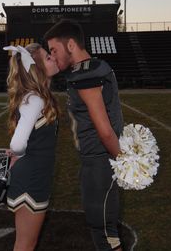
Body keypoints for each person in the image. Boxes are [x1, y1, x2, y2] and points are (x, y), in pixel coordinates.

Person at [44, 19, 124, 251]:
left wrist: (123, 162)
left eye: (54, 50)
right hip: (99, 160)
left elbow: (105, 130)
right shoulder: (93, 67)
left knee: (104, 234)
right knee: (105, 231)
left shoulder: (86, 75)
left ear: (70, 45)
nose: (53, 56)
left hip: (99, 161)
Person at [3, 43, 59, 251]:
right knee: (26, 244)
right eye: (47, 57)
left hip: (34, 175)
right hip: (31, 179)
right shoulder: (35, 99)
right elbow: (17, 143)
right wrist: (18, 154)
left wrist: (19, 154)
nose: (52, 58)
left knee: (26, 243)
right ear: (37, 68)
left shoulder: (36, 97)